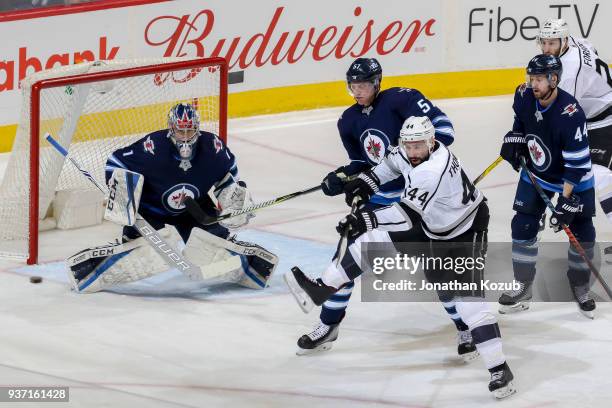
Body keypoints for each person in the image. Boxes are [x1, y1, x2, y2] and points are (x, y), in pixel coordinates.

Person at [286, 116, 516, 399]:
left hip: (464, 231)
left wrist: (364, 218)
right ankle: (323, 286)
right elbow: (388, 166)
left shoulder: (432, 171)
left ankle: (499, 368)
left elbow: (404, 217)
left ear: (431, 142)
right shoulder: (409, 152)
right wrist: (365, 183)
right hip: (432, 222)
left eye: (418, 145)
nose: (413, 151)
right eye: (408, 145)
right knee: (369, 243)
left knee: (468, 302)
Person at [302, 57, 475, 360]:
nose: (358, 91)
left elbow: (444, 131)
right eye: (353, 86)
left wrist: (406, 158)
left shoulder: (402, 100)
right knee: (344, 260)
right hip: (382, 198)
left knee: (438, 269)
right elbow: (362, 164)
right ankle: (328, 325)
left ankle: (466, 326)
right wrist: (343, 176)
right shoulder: (348, 121)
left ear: (378, 82)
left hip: (420, 198)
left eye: (365, 84)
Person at [66, 102, 278, 293]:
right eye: (180, 130)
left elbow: (229, 173)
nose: (185, 136)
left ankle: (246, 266)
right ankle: (101, 265)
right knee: (142, 253)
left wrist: (233, 202)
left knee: (215, 248)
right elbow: (116, 162)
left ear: (197, 128)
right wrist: (123, 195)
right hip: (151, 210)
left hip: (195, 210)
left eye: (190, 130)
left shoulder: (212, 148)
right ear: (171, 128)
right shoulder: (153, 148)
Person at [498, 54, 596, 318]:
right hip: (537, 172)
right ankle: (523, 287)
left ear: (554, 79)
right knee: (523, 224)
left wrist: (565, 200)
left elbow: (577, 165)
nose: (533, 84)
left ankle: (579, 284)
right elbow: (520, 119)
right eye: (531, 77)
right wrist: (515, 137)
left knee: (582, 229)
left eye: (539, 79)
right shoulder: (524, 95)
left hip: (573, 178)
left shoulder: (570, 113)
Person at [537, 18, 612, 261]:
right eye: (544, 42)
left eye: (552, 43)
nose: (547, 48)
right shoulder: (575, 44)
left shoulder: (569, 72)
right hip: (592, 115)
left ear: (564, 41)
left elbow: (566, 114)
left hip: (605, 118)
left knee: (598, 176)